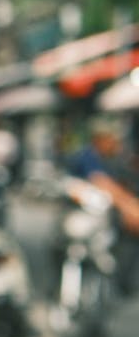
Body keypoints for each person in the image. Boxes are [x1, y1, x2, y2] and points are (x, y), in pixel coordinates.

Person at [67, 115, 139, 295]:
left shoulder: (113, 159)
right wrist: (130, 206)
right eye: (111, 139)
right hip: (86, 218)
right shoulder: (87, 156)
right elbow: (103, 183)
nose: (115, 143)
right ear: (100, 139)